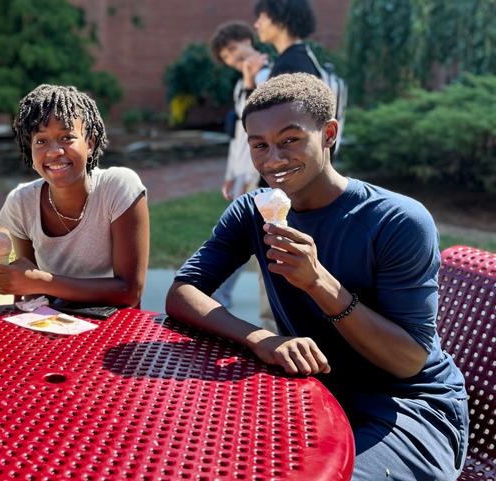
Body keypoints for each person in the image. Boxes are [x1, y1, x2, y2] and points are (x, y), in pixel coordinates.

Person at [166, 73, 468, 480]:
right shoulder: (251, 213)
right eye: (259, 145)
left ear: (328, 134)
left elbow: (409, 360)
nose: (272, 159)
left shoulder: (398, 221)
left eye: (289, 140)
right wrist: (263, 339)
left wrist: (318, 283)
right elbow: (183, 292)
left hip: (407, 407)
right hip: (309, 392)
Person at [0, 84, 149, 307]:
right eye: (41, 140)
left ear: (90, 143)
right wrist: (18, 282)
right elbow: (30, 294)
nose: (54, 151)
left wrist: (43, 282)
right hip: (54, 327)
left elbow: (129, 292)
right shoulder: (21, 203)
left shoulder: (118, 187)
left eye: (66, 137)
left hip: (116, 330)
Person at [208, 21, 272, 322]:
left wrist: (250, 82)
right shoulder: (241, 83)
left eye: (234, 50)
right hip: (246, 175)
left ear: (248, 39)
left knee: (254, 238)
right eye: (227, 58)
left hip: (265, 175)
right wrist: (231, 173)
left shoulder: (273, 73)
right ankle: (219, 293)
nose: (233, 59)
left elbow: (261, 124)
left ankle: (223, 294)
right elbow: (240, 132)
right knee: (238, 235)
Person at [253, 0, 321, 79]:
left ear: (281, 20)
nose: (256, 25)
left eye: (263, 18)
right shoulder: (300, 56)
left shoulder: (288, 65)